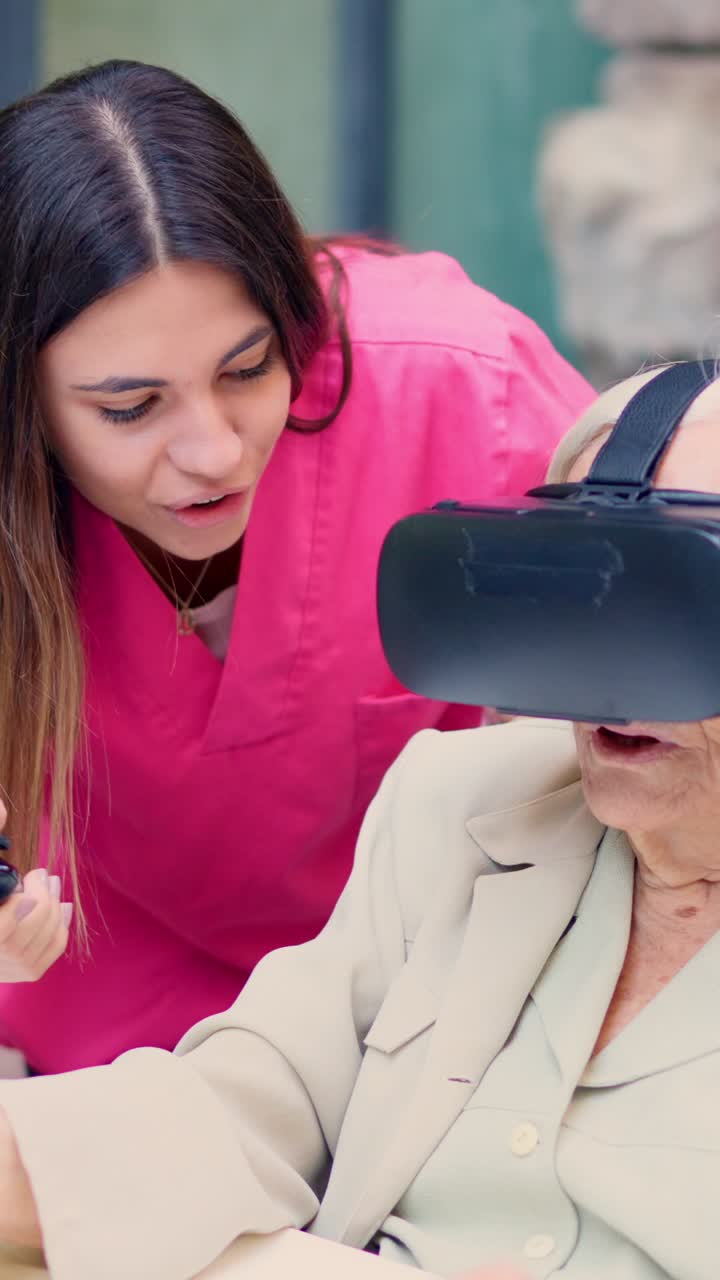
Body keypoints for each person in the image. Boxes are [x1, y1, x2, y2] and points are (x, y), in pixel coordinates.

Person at [0, 363, 717, 1279]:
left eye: (680, 601)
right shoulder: (462, 801)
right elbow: (255, 1098)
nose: (611, 671)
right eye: (590, 592)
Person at [0, 60, 592, 1073]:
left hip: (454, 994)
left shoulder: (465, 385)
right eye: (130, 407)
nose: (216, 451)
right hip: (111, 982)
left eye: (248, 369)